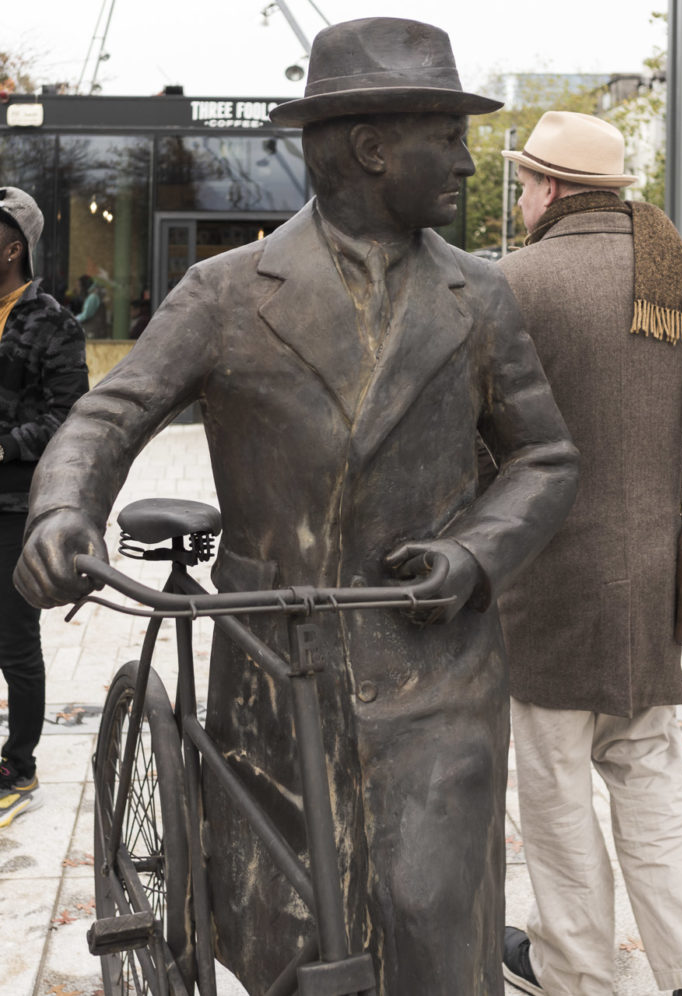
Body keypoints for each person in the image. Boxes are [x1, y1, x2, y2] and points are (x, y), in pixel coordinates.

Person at [14, 20, 579, 995]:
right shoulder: (226, 294)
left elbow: (545, 454)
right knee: (291, 930)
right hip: (276, 666)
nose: (465, 158)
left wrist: (478, 553)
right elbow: (109, 415)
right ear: (372, 148)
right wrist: (63, 509)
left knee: (430, 917)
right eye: (445, 136)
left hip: (434, 670)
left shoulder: (479, 299)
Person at [496, 111, 682, 996]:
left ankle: (574, 972)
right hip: (659, 572)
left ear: (555, 188)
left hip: (543, 573)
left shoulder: (514, 281)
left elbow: (481, 428)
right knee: (651, 770)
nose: (521, 199)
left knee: (558, 789)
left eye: (525, 184)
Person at [0, 186, 88, 828]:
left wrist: (4, 447)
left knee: (14, 641)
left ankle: (19, 760)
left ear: (12, 248)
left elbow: (67, 417)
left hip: (11, 506)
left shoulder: (53, 324)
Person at [75, 274, 106, 338]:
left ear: (84, 286)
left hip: (92, 333)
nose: (77, 289)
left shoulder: (93, 297)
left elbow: (86, 315)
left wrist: (73, 319)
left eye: (79, 286)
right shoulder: (92, 296)